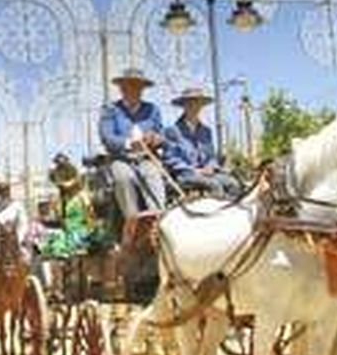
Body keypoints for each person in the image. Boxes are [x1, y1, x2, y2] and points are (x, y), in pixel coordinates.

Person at [100, 67, 169, 238]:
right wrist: (130, 143)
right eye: (129, 86)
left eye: (137, 86)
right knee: (123, 177)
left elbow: (161, 134)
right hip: (121, 158)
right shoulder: (110, 110)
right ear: (121, 88)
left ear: (142, 89)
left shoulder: (152, 110)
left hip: (146, 158)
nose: (133, 90)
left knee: (152, 174)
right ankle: (133, 224)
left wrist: (155, 139)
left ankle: (157, 222)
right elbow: (107, 137)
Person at [162, 85, 242, 200]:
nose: (193, 106)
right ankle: (213, 216)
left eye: (197, 102)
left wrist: (210, 167)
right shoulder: (172, 131)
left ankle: (230, 215)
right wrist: (195, 170)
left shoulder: (206, 131)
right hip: (185, 175)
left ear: (201, 105)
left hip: (207, 173)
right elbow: (171, 159)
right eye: (189, 102)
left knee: (233, 183)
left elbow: (211, 157)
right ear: (184, 105)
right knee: (214, 185)